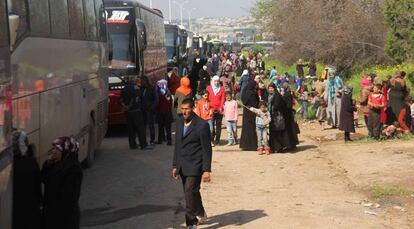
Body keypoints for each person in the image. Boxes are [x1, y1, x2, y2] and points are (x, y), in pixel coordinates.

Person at [172, 98, 212, 229]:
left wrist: (206, 170)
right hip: (182, 166)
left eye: (187, 109)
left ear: (193, 108)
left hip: (196, 165)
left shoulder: (202, 125)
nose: (184, 112)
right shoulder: (178, 123)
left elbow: (207, 149)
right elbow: (178, 145)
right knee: (191, 192)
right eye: (182, 109)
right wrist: (175, 165)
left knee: (190, 191)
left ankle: (191, 222)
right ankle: (200, 212)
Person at [42, 137, 83, 229]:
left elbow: (70, 197)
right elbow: (44, 179)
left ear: (66, 151)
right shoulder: (56, 163)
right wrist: (48, 163)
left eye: (57, 149)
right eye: (54, 148)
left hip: (64, 218)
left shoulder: (74, 168)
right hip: (52, 214)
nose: (54, 151)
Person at [12, 130, 42, 229]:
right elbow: (37, 187)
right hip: (31, 212)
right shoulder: (32, 163)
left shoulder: (6, 167)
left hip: (14, 214)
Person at [120, 77, 149, 150]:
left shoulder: (124, 89)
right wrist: (130, 106)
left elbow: (120, 99)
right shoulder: (136, 89)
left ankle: (132, 145)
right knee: (140, 128)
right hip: (136, 111)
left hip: (127, 112)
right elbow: (136, 99)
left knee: (131, 129)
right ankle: (143, 145)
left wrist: (125, 107)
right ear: (134, 82)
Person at [240, 79, 260, 151]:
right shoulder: (253, 93)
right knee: (252, 128)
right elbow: (255, 103)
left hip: (246, 111)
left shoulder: (245, 92)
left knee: (246, 128)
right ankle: (252, 145)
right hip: (252, 112)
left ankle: (245, 144)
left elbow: (243, 99)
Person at [206, 76, 225, 146]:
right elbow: (206, 97)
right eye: (215, 81)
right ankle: (211, 139)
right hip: (211, 110)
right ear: (213, 81)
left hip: (219, 110)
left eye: (218, 81)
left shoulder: (222, 89)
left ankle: (218, 140)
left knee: (218, 125)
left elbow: (223, 99)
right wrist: (210, 107)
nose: (216, 83)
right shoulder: (208, 88)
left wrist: (221, 107)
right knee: (211, 126)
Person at [142, 76, 159, 145]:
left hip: (150, 110)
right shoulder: (142, 88)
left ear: (145, 81)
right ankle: (144, 141)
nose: (141, 82)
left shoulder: (152, 88)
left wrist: (152, 107)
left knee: (151, 125)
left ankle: (152, 140)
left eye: (142, 81)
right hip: (143, 110)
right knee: (143, 125)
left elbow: (156, 99)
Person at [156, 79, 173, 145]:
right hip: (168, 111)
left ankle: (160, 140)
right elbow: (170, 102)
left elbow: (158, 102)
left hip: (161, 111)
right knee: (168, 127)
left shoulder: (159, 92)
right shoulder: (168, 91)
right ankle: (169, 141)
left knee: (161, 126)